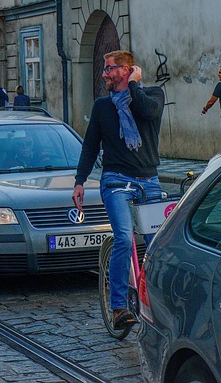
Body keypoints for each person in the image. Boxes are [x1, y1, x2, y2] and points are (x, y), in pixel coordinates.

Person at [71, 50, 165, 330]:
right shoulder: (102, 106)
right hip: (115, 182)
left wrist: (135, 85)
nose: (104, 74)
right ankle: (119, 307)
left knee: (158, 245)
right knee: (124, 238)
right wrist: (79, 180)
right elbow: (90, 146)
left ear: (126, 70)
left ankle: (158, 301)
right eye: (104, 69)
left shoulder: (152, 95)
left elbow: (148, 112)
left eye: (110, 69)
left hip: (149, 181)